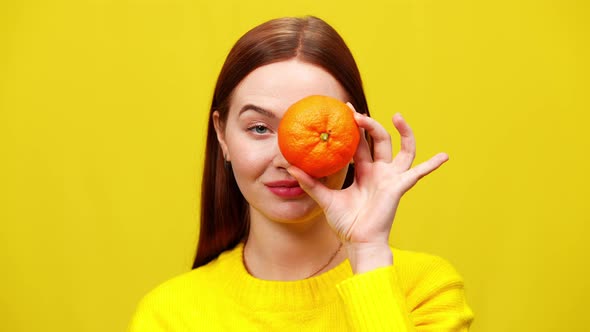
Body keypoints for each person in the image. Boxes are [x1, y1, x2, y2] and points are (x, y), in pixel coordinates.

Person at [128, 16, 474, 331]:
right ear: (222, 136)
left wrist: (367, 251)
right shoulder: (169, 315)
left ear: (358, 135)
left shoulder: (425, 289)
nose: (287, 159)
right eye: (260, 128)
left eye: (318, 128)